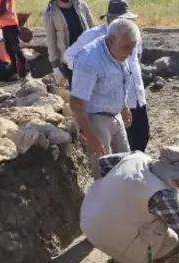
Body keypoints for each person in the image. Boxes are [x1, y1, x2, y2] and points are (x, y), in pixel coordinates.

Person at [64, 0, 150, 152]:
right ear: (109, 19)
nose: (125, 22)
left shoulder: (131, 34)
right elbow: (71, 57)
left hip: (131, 99)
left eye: (127, 19)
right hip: (101, 111)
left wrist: (124, 104)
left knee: (141, 137)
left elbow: (134, 61)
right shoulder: (94, 39)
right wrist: (88, 79)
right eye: (121, 19)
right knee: (108, 159)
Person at [69, 18, 137, 178]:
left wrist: (124, 107)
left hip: (116, 118)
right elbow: (76, 104)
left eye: (133, 47)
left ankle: (122, 201)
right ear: (111, 39)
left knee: (126, 167)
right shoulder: (89, 60)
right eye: (127, 47)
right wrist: (91, 138)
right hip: (96, 121)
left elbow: (118, 82)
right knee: (104, 174)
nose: (130, 52)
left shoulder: (119, 52)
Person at [43, 0, 95, 87]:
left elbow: (93, 29)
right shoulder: (50, 13)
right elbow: (51, 40)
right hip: (69, 62)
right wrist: (55, 66)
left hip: (88, 58)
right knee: (77, 93)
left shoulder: (81, 5)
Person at [0, 0, 30, 79]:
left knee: (16, 49)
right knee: (10, 50)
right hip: (4, 25)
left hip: (11, 25)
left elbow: (4, 9)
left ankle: (26, 70)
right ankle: (15, 72)